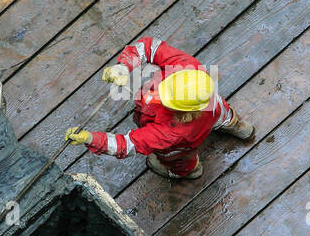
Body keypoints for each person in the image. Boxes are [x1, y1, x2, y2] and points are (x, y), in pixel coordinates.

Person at [65, 36, 255, 181]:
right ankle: (238, 126)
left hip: (182, 144)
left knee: (178, 158)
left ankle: (190, 171)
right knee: (222, 112)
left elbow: (126, 144)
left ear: (180, 112)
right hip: (215, 109)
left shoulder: (167, 133)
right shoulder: (193, 72)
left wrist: (90, 138)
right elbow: (151, 47)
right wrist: (123, 67)